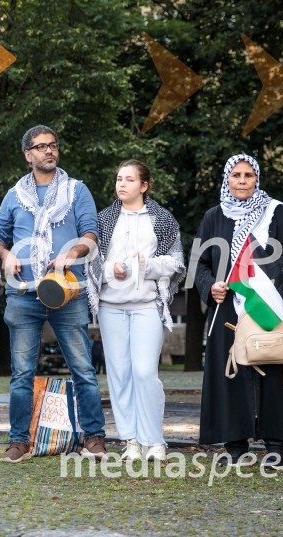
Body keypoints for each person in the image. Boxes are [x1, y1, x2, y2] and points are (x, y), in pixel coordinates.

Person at [0, 124, 107, 463]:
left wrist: (71, 253)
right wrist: (7, 254)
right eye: (41, 147)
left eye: (53, 145)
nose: (49, 151)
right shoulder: (14, 195)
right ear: (28, 155)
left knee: (83, 369)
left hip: (67, 292)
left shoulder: (76, 191)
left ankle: (94, 438)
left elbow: (90, 234)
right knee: (21, 373)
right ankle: (18, 442)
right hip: (24, 295)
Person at [192, 153, 283, 469]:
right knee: (231, 369)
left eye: (248, 176)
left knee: (273, 364)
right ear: (227, 179)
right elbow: (200, 263)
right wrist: (210, 285)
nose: (242, 181)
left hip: (268, 302)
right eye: (236, 175)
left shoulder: (275, 211)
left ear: (257, 179)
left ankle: (277, 444)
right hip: (227, 304)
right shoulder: (213, 216)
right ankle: (235, 443)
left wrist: (263, 281)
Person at [90, 160, 186, 461]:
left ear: (143, 186)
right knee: (119, 375)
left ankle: (154, 440)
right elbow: (91, 262)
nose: (122, 184)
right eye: (119, 179)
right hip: (111, 307)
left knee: (145, 372)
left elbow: (176, 263)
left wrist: (146, 267)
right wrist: (110, 270)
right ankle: (131, 440)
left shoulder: (162, 219)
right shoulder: (104, 219)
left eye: (129, 180)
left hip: (148, 305)